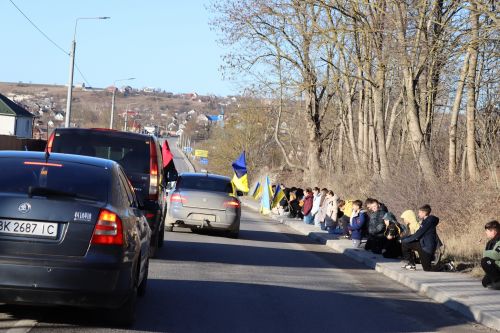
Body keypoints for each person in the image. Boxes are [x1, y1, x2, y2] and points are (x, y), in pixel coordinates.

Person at [401, 204, 439, 271]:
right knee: (405, 244)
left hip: (427, 247)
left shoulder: (429, 221)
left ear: (424, 213)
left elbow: (418, 234)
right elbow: (417, 233)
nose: (418, 214)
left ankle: (446, 265)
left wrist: (404, 240)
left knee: (427, 268)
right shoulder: (425, 221)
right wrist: (405, 240)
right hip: (421, 244)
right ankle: (411, 264)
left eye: (419, 212)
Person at [481, 220, 500, 289]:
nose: (486, 232)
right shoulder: (490, 242)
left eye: (487, 230)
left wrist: (485, 253)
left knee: (485, 261)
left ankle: (498, 281)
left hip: (498, 264)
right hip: (496, 265)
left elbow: (496, 254)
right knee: (485, 282)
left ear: (494, 231)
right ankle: (496, 280)